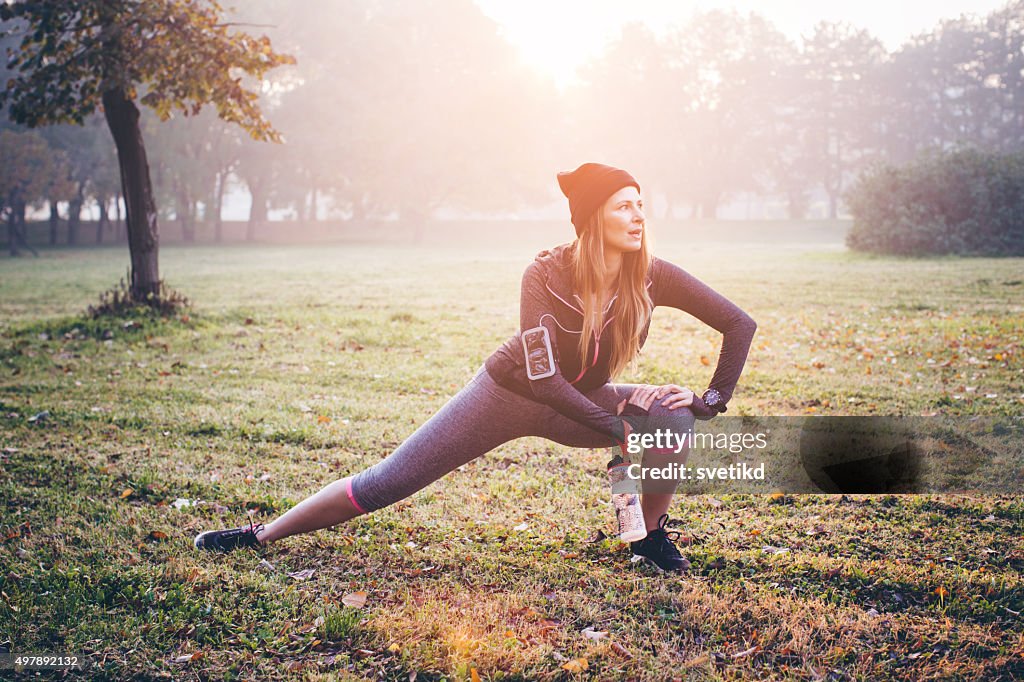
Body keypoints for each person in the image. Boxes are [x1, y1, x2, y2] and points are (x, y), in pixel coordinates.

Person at [195, 162, 757, 572]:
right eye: (623, 206)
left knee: (672, 417)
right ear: (592, 219)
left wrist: (710, 402)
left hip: (580, 401)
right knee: (387, 481)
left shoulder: (651, 275)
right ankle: (262, 534)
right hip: (505, 397)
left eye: (640, 204)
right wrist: (615, 426)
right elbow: (540, 376)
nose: (638, 216)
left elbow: (739, 323)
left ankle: (647, 537)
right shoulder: (544, 275)